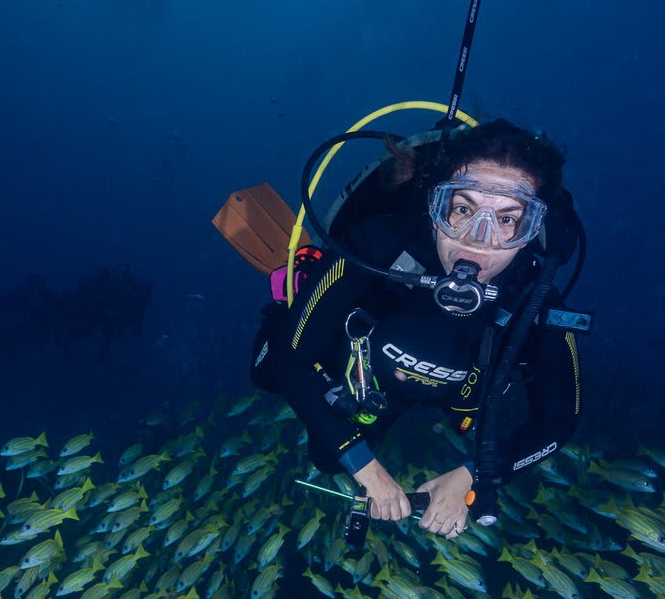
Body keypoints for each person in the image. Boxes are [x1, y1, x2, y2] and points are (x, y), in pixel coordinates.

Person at [248, 119, 585, 539]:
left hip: (454, 399)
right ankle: (296, 286)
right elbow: (290, 362)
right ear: (435, 207)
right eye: (462, 209)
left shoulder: (533, 301)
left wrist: (473, 475)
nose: (478, 239)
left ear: (533, 229)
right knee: (322, 449)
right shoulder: (375, 248)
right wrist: (366, 468)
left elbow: (559, 420)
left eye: (508, 219)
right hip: (367, 385)